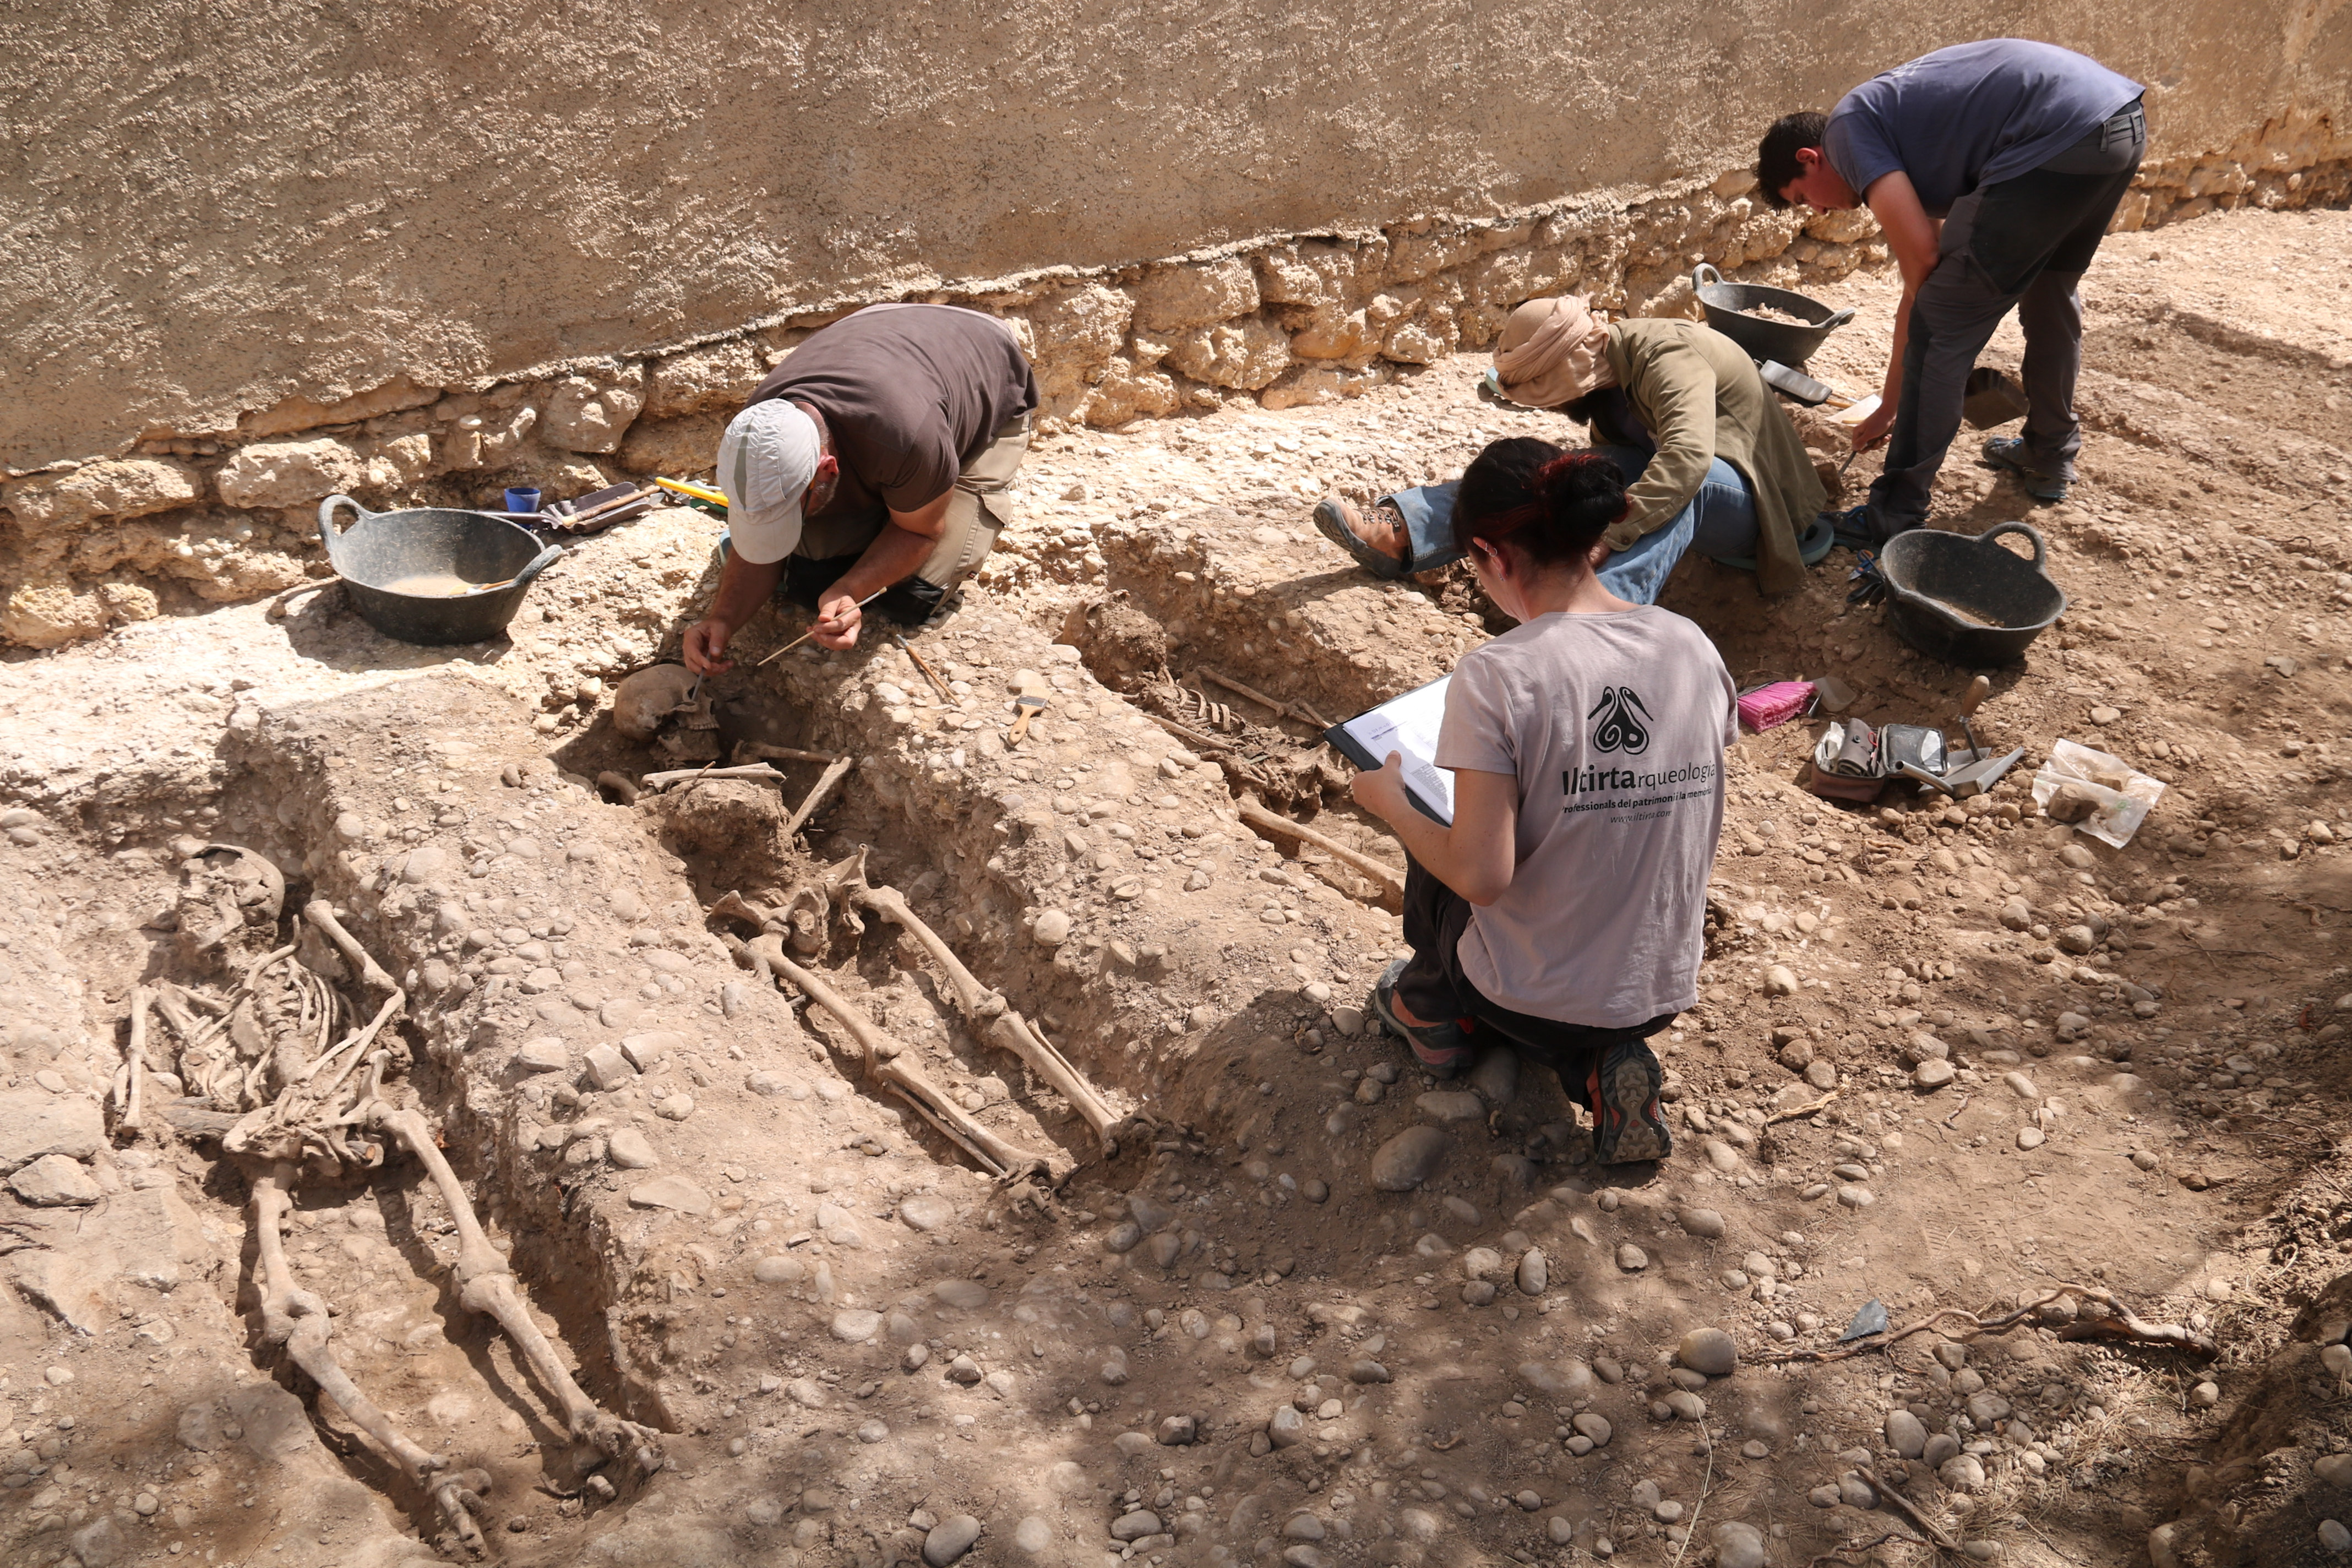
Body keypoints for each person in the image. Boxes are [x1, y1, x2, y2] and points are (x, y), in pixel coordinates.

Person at [1347, 450, 1736, 1165]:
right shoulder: (1691, 645)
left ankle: (1430, 1011)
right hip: (1660, 985)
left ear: (1492, 554)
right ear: (1592, 538)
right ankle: (1599, 1063)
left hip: (1527, 994)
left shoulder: (1499, 674)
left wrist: (1393, 806)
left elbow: (1481, 877)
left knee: (1439, 820)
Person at [1756, 39, 2146, 540]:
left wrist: (1939, 349)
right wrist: (1890, 405)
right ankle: (2050, 454)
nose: (1818, 211)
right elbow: (1926, 271)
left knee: (1941, 327)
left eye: (1803, 197)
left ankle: (1894, 514)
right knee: (2049, 295)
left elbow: (1924, 272)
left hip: (2055, 138)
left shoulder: (1848, 132)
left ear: (1811, 158)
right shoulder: (1899, 132)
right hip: (2116, 123)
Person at [1313, 296, 1831, 600]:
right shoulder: (1610, 381)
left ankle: (1598, 616)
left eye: (1554, 396)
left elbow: (1689, 458)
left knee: (1686, 480)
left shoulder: (1666, 354)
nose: (1557, 407)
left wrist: (1616, 532)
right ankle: (1403, 533)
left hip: (1761, 509)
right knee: (1553, 473)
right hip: (1696, 492)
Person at [682, 303, 1038, 668]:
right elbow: (760, 523)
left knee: (912, 595)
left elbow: (919, 533)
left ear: (827, 469)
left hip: (983, 361)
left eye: (791, 508)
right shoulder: (757, 432)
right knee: (811, 580)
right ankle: (899, 497)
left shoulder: (907, 436)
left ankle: (913, 493)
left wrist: (851, 589)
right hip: (878, 332)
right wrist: (723, 619)